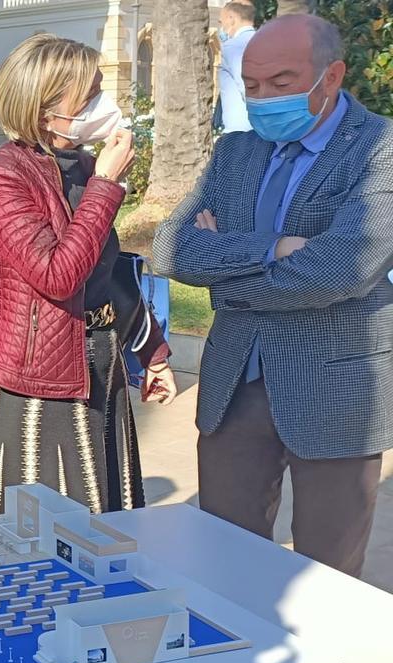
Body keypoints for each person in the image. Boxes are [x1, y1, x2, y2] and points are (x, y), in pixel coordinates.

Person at [153, 14, 393, 577]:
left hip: (336, 387)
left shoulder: (381, 149)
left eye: (281, 84)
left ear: (330, 77)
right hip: (236, 382)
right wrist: (277, 247)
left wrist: (226, 275)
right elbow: (169, 248)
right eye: (251, 87)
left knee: (327, 577)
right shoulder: (236, 150)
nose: (263, 100)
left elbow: (340, 270)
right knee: (225, 560)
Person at [0, 34, 176, 517]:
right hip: (38, 376)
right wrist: (106, 187)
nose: (103, 104)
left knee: (107, 514)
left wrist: (153, 353)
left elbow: (106, 272)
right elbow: (57, 275)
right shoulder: (3, 177)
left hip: (99, 360)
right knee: (48, 532)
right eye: (89, 96)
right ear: (44, 109)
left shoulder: (81, 165)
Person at [217, 2, 257, 133]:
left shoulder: (233, 47)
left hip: (240, 131)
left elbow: (245, 84)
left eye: (221, 21)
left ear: (231, 18)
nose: (221, 26)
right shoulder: (263, 41)